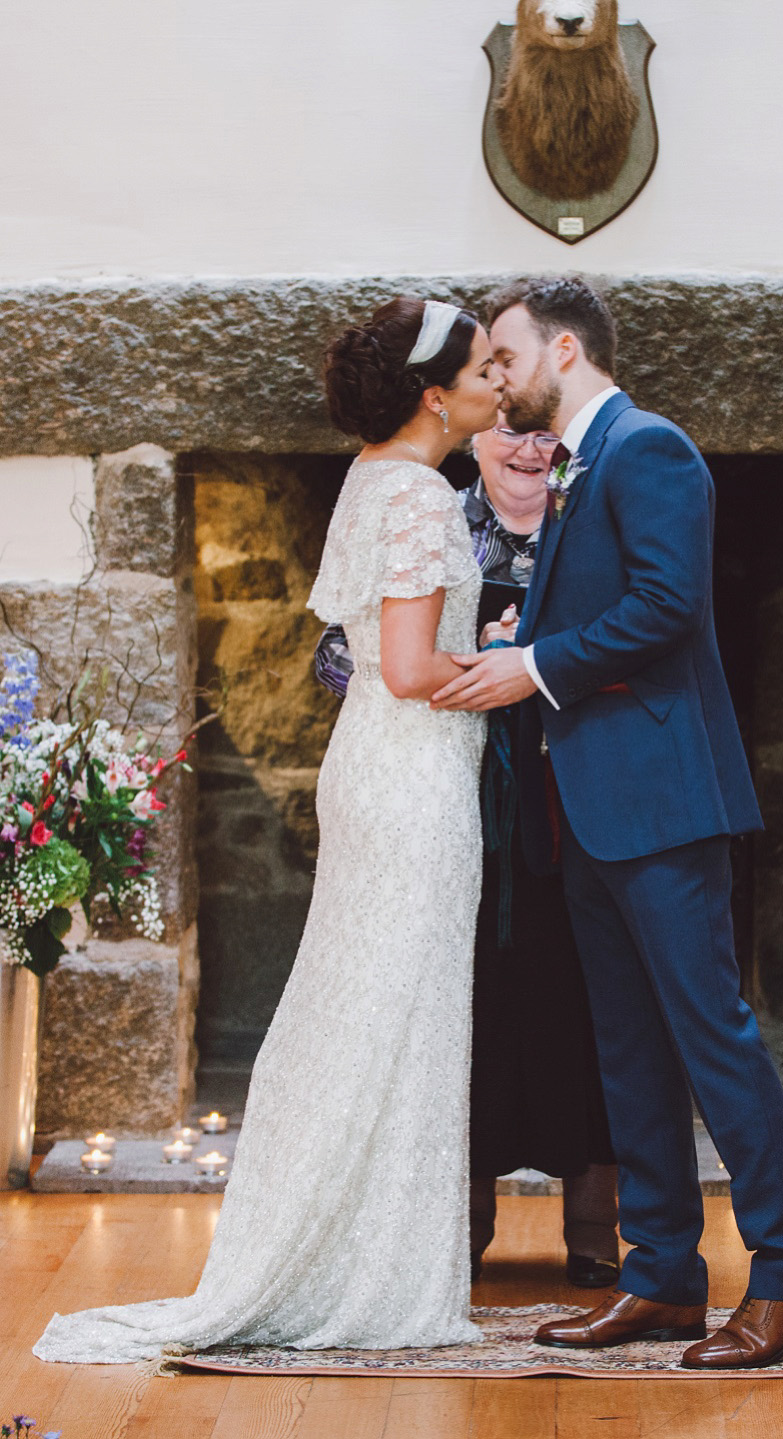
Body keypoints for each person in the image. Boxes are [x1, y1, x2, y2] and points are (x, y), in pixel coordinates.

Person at [34, 296, 504, 1364]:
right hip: (416, 777)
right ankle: (377, 1279)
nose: (498, 379)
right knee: (404, 1010)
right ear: (438, 394)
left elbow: (385, 647)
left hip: (373, 769)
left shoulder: (373, 477)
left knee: (363, 1007)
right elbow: (411, 668)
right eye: (482, 366)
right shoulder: (425, 497)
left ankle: (342, 1255)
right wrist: (521, 669)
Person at [430, 277, 783, 1370]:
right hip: (594, 807)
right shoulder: (578, 462)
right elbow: (610, 609)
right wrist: (535, 632)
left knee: (713, 1036)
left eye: (509, 356)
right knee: (631, 1047)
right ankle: (660, 1274)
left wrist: (536, 663)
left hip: (661, 799)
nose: (500, 377)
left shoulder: (649, 447)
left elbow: (668, 605)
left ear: (565, 350)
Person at [315, 417, 620, 1289]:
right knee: (468, 994)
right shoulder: (431, 515)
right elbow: (341, 654)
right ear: (475, 437)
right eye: (509, 433)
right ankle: (462, 1223)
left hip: (575, 795)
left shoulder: (596, 518)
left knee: (586, 995)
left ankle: (596, 1227)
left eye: (545, 436)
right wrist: (459, 666)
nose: (527, 450)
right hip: (452, 792)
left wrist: (542, 660)